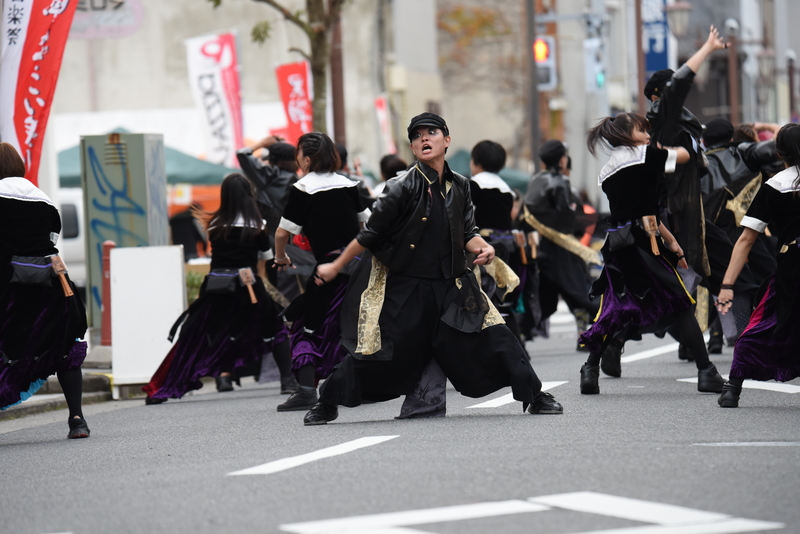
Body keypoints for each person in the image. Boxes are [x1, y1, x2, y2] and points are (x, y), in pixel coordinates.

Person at [302, 112, 564, 425]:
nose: (424, 139)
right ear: (413, 148)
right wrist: (336, 266)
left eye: (432, 132)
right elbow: (369, 235)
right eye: (417, 136)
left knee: (499, 337)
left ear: (446, 140)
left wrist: (485, 248)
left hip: (453, 285)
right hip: (409, 288)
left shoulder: (461, 185)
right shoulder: (401, 186)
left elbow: (468, 232)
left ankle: (534, 396)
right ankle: (327, 401)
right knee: (379, 354)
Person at [578, 113, 726, 395]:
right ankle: (706, 372)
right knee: (680, 303)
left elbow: (642, 211)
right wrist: (691, 135)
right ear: (625, 134)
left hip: (618, 245)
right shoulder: (644, 155)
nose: (648, 134)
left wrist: (672, 242)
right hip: (644, 245)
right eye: (642, 129)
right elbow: (686, 156)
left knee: (614, 309)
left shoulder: (608, 169)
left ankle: (590, 369)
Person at [143, 174, 289, 402]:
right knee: (276, 330)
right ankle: (288, 382)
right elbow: (265, 258)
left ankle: (166, 386)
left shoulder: (214, 224)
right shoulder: (257, 225)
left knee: (195, 337)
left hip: (216, 289)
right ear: (248, 195)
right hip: (248, 288)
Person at [272, 132, 371, 412]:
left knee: (306, 324)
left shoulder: (303, 188)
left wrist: (280, 259)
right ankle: (357, 384)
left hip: (327, 269)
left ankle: (306, 391)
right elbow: (370, 226)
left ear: (305, 158)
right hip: (359, 267)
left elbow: (281, 233)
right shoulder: (351, 184)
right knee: (349, 324)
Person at [0, 142, 90, 438]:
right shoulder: (44, 200)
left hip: (8, 287)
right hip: (49, 285)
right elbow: (51, 237)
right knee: (63, 347)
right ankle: (77, 419)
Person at [716, 123, 800, 408]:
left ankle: (733, 387)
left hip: (791, 266)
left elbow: (745, 241)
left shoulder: (775, 185)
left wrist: (727, 284)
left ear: (779, 153)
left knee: (761, 324)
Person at [521, 140, 599, 348]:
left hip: (541, 249)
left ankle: (519, 332)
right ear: (563, 160)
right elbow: (566, 219)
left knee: (544, 299)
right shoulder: (560, 182)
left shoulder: (535, 180)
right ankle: (588, 336)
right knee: (580, 293)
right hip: (562, 250)